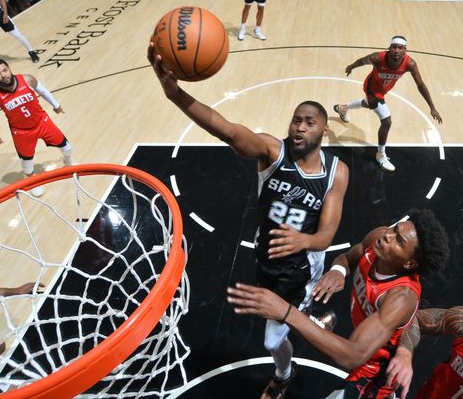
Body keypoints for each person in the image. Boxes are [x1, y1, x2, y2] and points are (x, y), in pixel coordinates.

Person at [148, 43, 349, 399]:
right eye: (296, 120)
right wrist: (175, 94)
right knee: (274, 317)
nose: (300, 127)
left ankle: (285, 372)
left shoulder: (336, 172)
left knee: (273, 336)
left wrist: (304, 241)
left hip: (301, 268)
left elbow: (327, 234)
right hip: (265, 256)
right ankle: (309, 320)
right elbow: (224, 128)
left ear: (324, 130)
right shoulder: (272, 151)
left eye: (309, 122)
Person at [227, 209, 450, 399]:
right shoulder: (378, 238)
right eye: (395, 229)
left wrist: (286, 312)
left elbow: (352, 355)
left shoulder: (400, 297)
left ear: (410, 263)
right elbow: (349, 257)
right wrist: (338, 270)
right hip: (362, 340)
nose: (389, 235)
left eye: (399, 241)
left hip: (374, 370)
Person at [334, 36, 442, 173]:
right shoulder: (377, 58)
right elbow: (362, 61)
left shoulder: (410, 64)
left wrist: (432, 107)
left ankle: (342, 109)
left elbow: (420, 85)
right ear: (389, 48)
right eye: (394, 47)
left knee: (367, 104)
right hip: (371, 89)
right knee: (386, 121)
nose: (396, 50)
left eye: (400, 48)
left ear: (405, 50)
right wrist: (351, 67)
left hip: (383, 89)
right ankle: (381, 155)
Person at [0, 59, 73, 197]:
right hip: (21, 131)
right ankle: (32, 181)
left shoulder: (27, 79)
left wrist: (56, 105)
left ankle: (68, 160)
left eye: (5, 70)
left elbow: (42, 91)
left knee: (67, 148)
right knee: (27, 161)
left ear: (9, 68)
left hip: (42, 122)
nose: (3, 75)